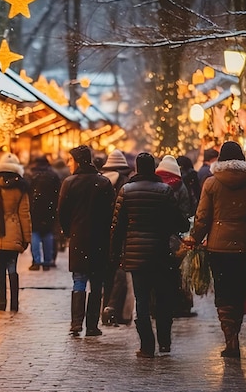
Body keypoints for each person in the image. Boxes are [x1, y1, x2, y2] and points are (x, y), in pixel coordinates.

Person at [184, 141, 246, 359]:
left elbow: (202, 217)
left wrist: (195, 238)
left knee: (223, 290)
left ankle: (230, 337)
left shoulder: (211, 184)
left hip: (218, 247)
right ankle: (235, 332)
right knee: (239, 291)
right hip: (245, 246)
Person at [111, 153, 190, 358]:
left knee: (142, 300)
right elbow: (180, 222)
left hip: (136, 256)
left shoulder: (126, 191)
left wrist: (115, 252)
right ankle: (164, 342)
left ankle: (147, 345)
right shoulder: (164, 190)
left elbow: (117, 227)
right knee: (163, 299)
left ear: (136, 168)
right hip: (161, 254)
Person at [58, 145, 115, 336]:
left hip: (79, 238)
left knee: (79, 281)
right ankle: (92, 325)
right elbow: (110, 213)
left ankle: (76, 323)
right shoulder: (103, 183)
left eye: (70, 160)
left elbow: (62, 212)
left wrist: (69, 231)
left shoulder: (69, 183)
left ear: (78, 161)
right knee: (97, 283)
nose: (68, 164)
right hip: (99, 239)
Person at [0, 152, 31, 312]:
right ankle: (14, 304)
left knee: (0, 266)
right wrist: (27, 237)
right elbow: (24, 213)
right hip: (14, 231)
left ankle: (2, 302)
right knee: (12, 267)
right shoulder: (21, 187)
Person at [155, 155, 195, 318]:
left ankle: (157, 307)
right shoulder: (181, 187)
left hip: (156, 237)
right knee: (176, 273)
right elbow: (185, 212)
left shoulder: (155, 185)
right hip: (175, 238)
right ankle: (178, 306)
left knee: (157, 274)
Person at [99, 149, 134, 325]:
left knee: (107, 273)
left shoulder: (102, 181)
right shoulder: (125, 183)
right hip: (120, 231)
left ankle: (105, 308)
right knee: (120, 273)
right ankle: (116, 310)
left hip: (102, 232)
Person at [24, 156, 61, 271]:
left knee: (34, 233)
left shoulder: (30, 175)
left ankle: (36, 261)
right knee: (48, 234)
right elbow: (58, 192)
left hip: (33, 208)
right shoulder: (53, 175)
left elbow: (26, 191)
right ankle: (47, 261)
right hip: (49, 208)